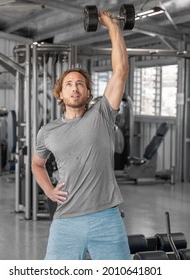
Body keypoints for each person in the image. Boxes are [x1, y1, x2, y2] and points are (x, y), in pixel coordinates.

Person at [31, 10, 130, 260]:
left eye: (80, 84)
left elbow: (120, 72)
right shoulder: (48, 131)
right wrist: (49, 191)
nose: (74, 87)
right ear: (60, 95)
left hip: (107, 218)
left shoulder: (103, 115)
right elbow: (36, 164)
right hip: (66, 220)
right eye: (68, 84)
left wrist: (113, 27)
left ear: (87, 93)